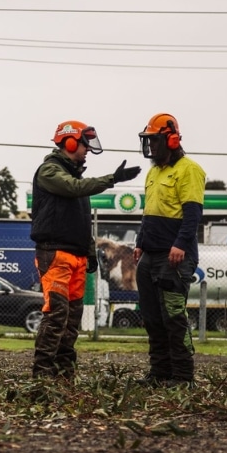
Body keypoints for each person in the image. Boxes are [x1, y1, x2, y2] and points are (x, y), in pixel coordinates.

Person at [30, 120, 141, 379]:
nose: (88, 149)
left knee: (71, 320)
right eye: (84, 144)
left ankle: (64, 373)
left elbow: (81, 222)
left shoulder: (74, 177)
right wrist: (113, 179)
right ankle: (42, 374)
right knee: (57, 314)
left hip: (76, 256)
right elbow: (73, 188)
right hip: (55, 253)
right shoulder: (50, 171)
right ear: (69, 142)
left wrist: (90, 252)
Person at [134, 113, 205, 388]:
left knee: (173, 317)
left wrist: (180, 244)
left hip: (174, 256)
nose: (150, 146)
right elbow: (148, 213)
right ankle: (159, 373)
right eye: (148, 140)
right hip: (150, 255)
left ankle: (183, 376)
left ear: (171, 140)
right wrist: (140, 242)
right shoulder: (153, 172)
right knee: (152, 318)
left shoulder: (190, 170)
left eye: (154, 140)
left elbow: (192, 214)